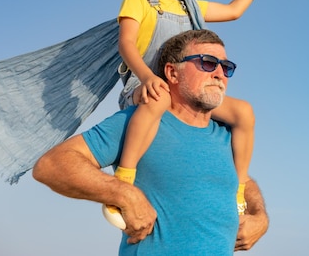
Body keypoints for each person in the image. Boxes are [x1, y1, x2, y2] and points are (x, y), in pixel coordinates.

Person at [33, 29, 269, 255]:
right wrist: (124, 194)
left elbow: (243, 180)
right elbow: (52, 165)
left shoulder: (227, 134)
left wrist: (260, 217)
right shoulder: (141, 122)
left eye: (226, 67)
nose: (219, 74)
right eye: (207, 62)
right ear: (172, 73)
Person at [109, 0, 263, 225]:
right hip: (146, 85)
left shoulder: (186, 4)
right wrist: (146, 77)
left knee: (244, 112)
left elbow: (233, 11)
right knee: (159, 98)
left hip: (184, 90)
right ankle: (124, 179)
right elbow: (126, 43)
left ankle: (239, 187)